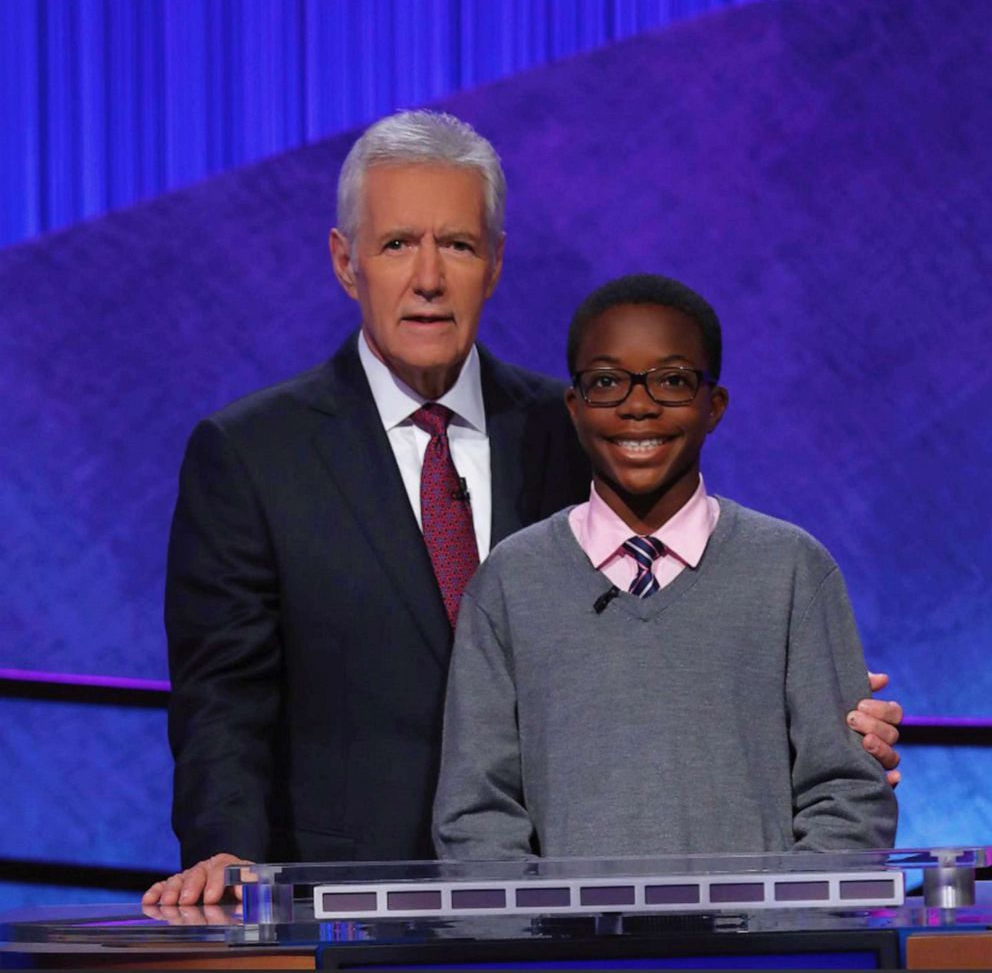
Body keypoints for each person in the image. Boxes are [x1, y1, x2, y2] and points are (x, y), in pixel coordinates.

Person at [144, 113, 901, 906]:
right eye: (398, 243)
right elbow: (223, 693)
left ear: (496, 263)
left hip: (558, 901)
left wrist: (816, 711)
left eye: (459, 245)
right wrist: (226, 847)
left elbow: (692, 610)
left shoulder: (582, 425)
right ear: (345, 262)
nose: (429, 278)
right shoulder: (253, 452)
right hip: (350, 895)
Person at [432, 274, 897, 859]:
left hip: (757, 950)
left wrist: (777, 931)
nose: (638, 404)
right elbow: (476, 817)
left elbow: (848, 796)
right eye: (607, 383)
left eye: (672, 381)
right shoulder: (510, 582)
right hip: (570, 951)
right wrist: (543, 944)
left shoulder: (791, 571)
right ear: (574, 408)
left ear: (714, 406)